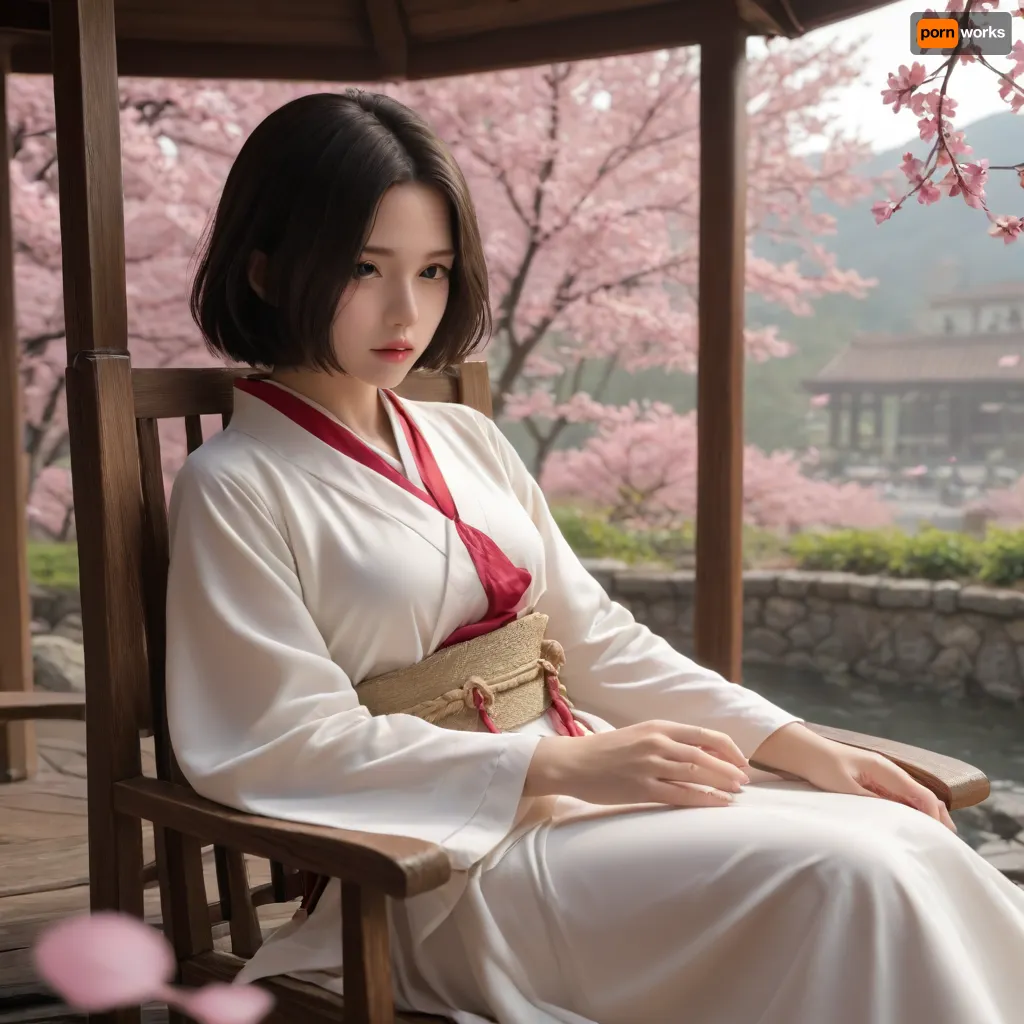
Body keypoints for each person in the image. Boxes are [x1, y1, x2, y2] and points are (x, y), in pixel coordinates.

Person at [165, 90, 1024, 1024]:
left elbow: (597, 640)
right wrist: (557, 773)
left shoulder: (468, 440)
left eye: (436, 271)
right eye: (364, 268)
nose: (406, 309)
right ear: (264, 270)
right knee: (850, 877)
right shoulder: (235, 484)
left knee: (906, 843)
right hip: (442, 864)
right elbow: (279, 739)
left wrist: (797, 744)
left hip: (588, 797)